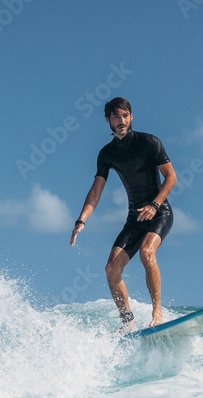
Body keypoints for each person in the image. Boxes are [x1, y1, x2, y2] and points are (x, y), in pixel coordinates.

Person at [69, 97, 177, 331]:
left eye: (125, 115)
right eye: (116, 116)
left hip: (159, 212)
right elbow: (96, 191)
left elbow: (171, 177)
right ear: (108, 119)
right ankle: (127, 322)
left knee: (147, 253)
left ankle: (157, 311)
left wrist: (155, 205)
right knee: (111, 269)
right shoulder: (106, 154)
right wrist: (81, 220)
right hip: (134, 218)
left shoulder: (149, 142)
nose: (122, 121)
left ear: (131, 116)